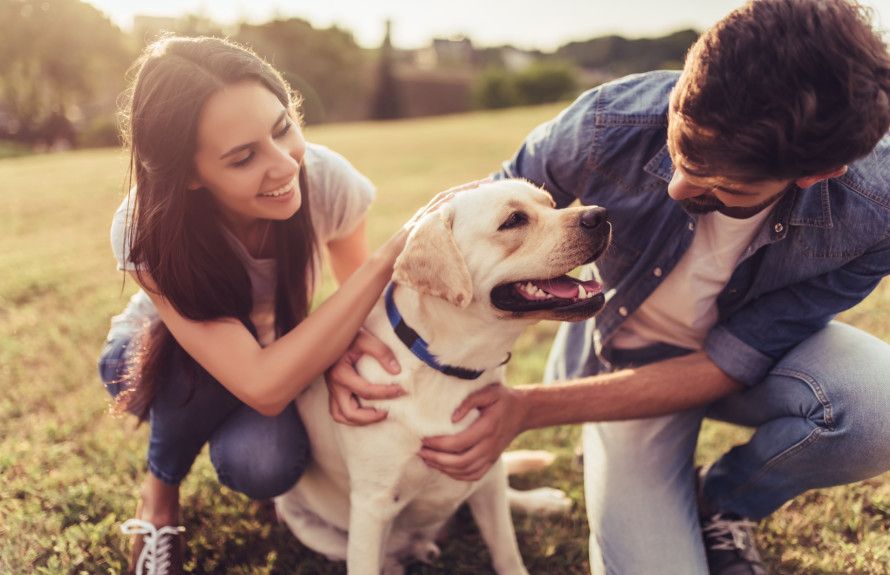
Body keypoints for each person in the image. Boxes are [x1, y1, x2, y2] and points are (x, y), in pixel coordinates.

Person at [327, 1, 890, 573]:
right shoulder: (609, 120)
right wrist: (358, 335)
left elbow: (736, 359)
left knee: (879, 408)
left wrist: (525, 408)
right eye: (681, 146)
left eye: (720, 185)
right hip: (620, 355)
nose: (677, 187)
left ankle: (724, 501)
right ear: (688, 81)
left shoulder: (877, 209)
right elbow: (469, 219)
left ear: (816, 174)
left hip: (752, 363)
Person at [97, 36, 447, 575]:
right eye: (243, 158)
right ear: (188, 175)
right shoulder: (147, 226)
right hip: (156, 360)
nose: (284, 165)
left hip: (268, 352)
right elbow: (260, 383)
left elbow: (363, 312)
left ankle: (231, 441)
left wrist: (344, 365)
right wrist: (389, 255)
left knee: (263, 463)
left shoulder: (326, 179)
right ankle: (159, 501)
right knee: (211, 368)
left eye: (283, 128)